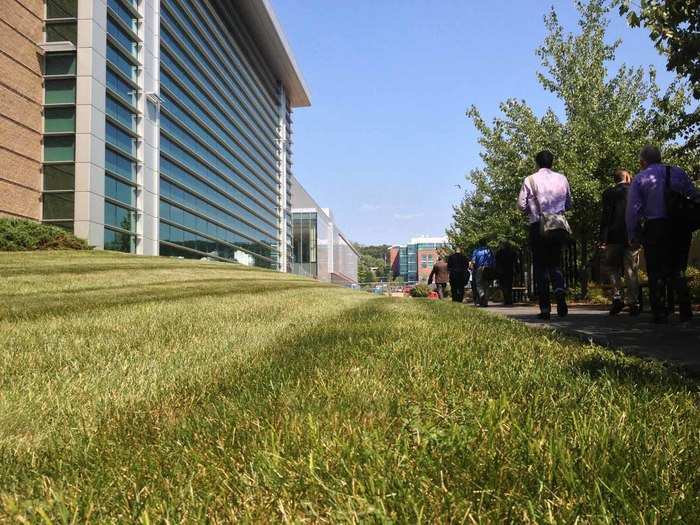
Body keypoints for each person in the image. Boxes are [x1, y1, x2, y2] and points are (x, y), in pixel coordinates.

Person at [626, 145, 700, 323]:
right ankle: (685, 309)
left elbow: (632, 210)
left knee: (655, 270)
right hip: (680, 226)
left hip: (655, 227)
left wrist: (632, 234)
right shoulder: (677, 172)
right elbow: (695, 195)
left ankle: (659, 311)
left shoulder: (640, 178)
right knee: (678, 269)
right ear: (660, 157)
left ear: (643, 161)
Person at [517, 150, 572, 320]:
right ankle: (560, 295)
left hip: (538, 225)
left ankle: (545, 308)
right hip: (558, 225)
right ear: (552, 163)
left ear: (537, 163)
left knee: (540, 266)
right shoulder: (562, 178)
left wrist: (531, 210)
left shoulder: (530, 179)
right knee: (556, 264)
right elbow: (569, 202)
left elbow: (521, 204)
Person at [599, 169, 640, 316]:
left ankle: (617, 297)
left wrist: (602, 238)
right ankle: (633, 302)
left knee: (612, 268)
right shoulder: (634, 190)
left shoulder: (608, 193)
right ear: (627, 177)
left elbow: (606, 217)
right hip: (631, 235)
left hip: (613, 236)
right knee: (631, 270)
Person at [471, 242, 495, 307]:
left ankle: (482, 295)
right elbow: (493, 261)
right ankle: (485, 302)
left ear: (479, 244)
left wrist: (473, 269)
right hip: (488, 268)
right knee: (487, 285)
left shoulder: (476, 251)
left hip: (479, 268)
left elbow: (473, 261)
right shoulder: (490, 251)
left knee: (478, 284)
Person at [495, 242, 517, 306]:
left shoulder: (499, 252)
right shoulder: (513, 252)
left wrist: (497, 270)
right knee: (509, 285)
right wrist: (517, 270)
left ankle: (506, 299)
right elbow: (515, 262)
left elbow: (496, 262)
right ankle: (509, 299)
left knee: (503, 285)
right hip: (510, 270)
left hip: (502, 271)